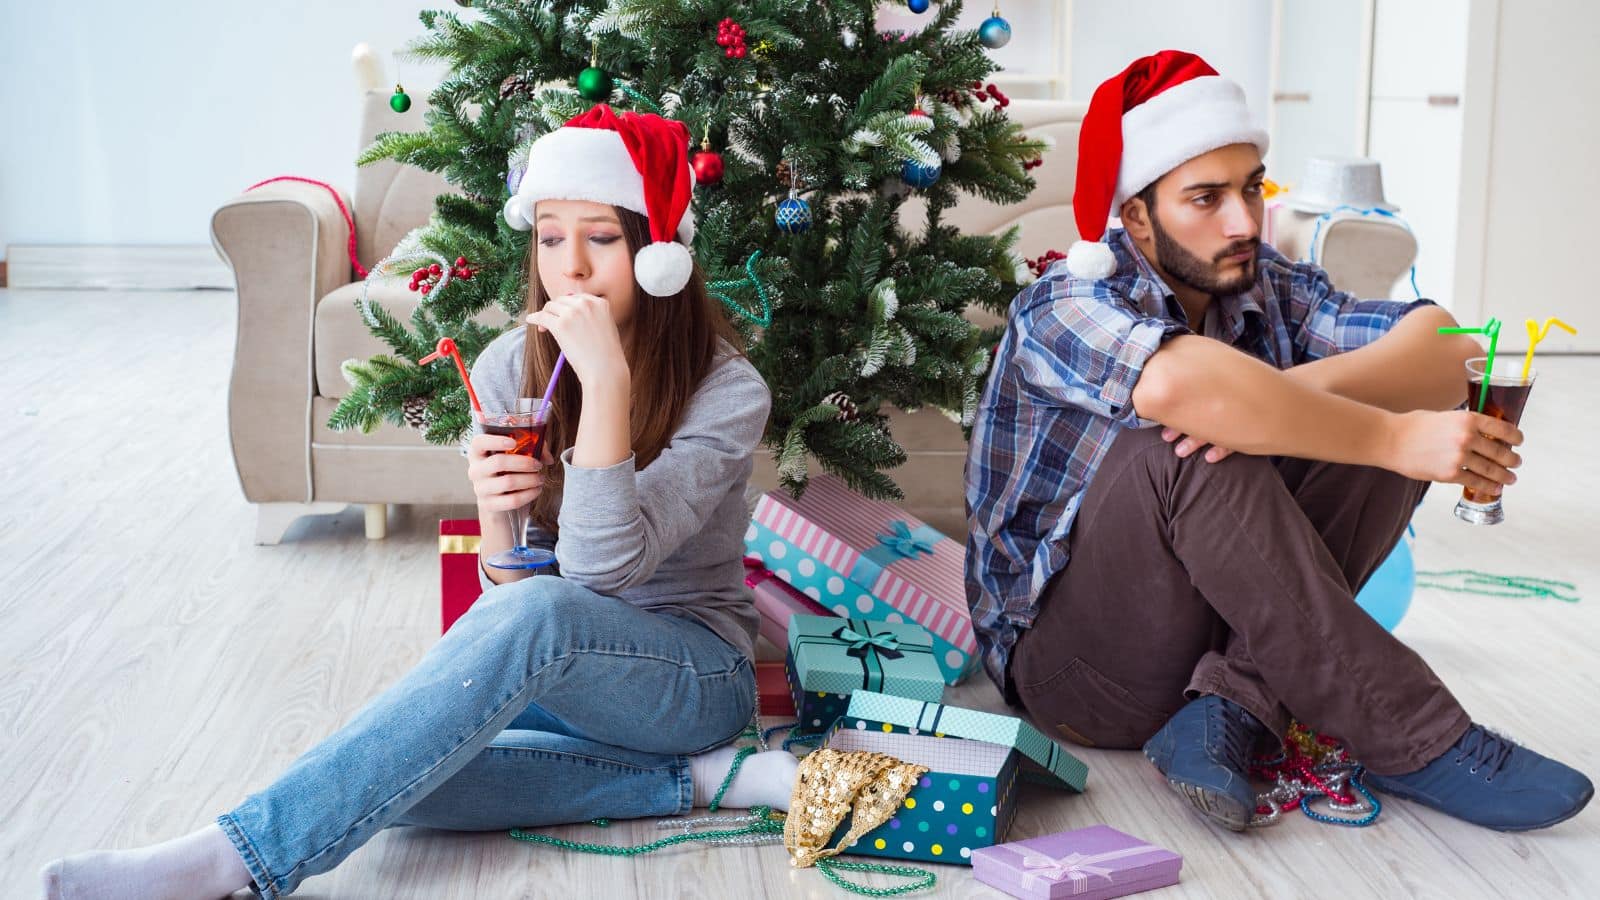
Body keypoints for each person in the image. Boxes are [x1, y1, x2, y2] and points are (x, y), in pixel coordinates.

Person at [42, 105, 798, 900]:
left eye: (601, 237)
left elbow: (599, 577)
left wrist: (605, 383)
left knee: (415, 736)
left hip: (692, 678)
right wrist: (498, 513)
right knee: (394, 771)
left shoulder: (727, 388)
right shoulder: (511, 365)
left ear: (655, 256)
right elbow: (513, 594)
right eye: (549, 238)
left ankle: (227, 861)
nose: (569, 267)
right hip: (573, 685)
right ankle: (703, 784)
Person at [963, 50, 1591, 833]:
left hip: (1215, 649)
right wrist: (1373, 432)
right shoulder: (1065, 300)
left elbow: (1447, 345)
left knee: (1349, 422)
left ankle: (1227, 708)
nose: (1243, 221)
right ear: (1135, 216)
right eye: (1205, 198)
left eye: (1251, 187)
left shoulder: (1266, 283)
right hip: (1075, 674)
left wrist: (1295, 410)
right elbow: (1175, 388)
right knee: (1181, 448)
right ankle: (1417, 736)